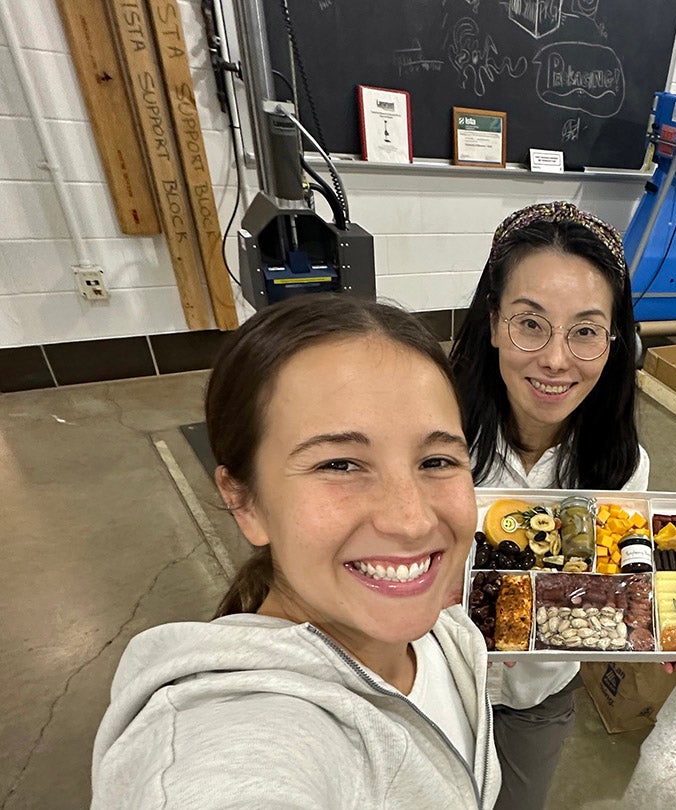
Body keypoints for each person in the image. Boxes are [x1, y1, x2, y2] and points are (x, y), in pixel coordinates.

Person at [91, 296, 499, 809]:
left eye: (437, 460)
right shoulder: (231, 735)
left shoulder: (448, 632)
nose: (412, 521)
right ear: (244, 500)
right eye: (340, 466)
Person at [449, 202, 676, 810]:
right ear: (494, 321)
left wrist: (670, 624)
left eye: (585, 330)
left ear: (613, 340)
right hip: (430, 681)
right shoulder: (431, 439)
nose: (555, 359)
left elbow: (617, 578)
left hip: (538, 695)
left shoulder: (622, 465)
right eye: (530, 323)